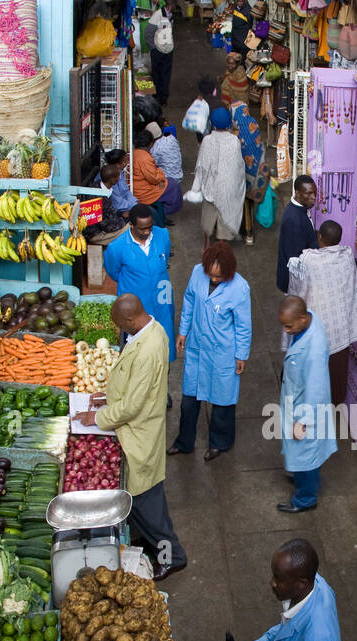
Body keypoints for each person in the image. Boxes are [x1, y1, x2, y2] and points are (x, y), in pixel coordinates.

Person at [82, 295, 188, 581]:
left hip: (141, 433)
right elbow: (134, 387)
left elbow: (133, 405)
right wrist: (107, 396)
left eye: (119, 326)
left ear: (130, 320)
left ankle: (172, 557)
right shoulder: (152, 329)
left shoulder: (147, 349)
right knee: (141, 499)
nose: (119, 331)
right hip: (138, 427)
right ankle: (150, 544)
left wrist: (99, 418)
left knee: (148, 503)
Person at [170, 241, 252, 461]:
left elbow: (243, 326)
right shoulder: (197, 273)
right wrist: (183, 331)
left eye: (219, 277)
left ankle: (220, 442)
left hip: (223, 352)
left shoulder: (240, 288)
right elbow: (188, 301)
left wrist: (241, 354)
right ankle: (184, 442)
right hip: (197, 348)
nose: (214, 279)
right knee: (189, 400)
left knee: (222, 401)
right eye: (211, 275)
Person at [286, 220, 357, 405]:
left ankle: (312, 404)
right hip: (340, 325)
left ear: (319, 237)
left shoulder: (309, 260)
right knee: (336, 368)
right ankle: (334, 401)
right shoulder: (347, 256)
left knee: (315, 367)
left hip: (317, 325)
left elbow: (298, 286)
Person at [276, 296, 337, 513]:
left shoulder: (314, 351)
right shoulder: (307, 319)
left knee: (306, 454)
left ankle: (305, 499)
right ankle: (302, 479)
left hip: (306, 408)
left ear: (302, 319)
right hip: (296, 397)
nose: (286, 330)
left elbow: (316, 389)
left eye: (289, 326)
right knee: (300, 453)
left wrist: (303, 422)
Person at [103, 205, 176, 366]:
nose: (147, 232)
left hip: (162, 299)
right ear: (131, 225)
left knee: (163, 346)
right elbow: (113, 271)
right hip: (136, 304)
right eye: (142, 229)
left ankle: (161, 387)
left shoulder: (163, 235)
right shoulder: (117, 247)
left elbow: (164, 259)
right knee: (138, 352)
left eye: (149, 227)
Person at [188, 106, 246, 248]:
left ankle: (206, 245)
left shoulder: (207, 141)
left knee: (208, 218)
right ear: (229, 124)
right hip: (228, 191)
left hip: (211, 190)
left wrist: (195, 189)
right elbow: (238, 166)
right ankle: (221, 247)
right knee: (225, 220)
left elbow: (201, 166)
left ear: (212, 123)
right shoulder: (234, 141)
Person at [228, 97, 272, 247]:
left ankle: (248, 232)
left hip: (242, 174)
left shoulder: (234, 132)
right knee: (251, 203)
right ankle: (249, 231)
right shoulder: (253, 123)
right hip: (258, 171)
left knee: (244, 203)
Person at [277, 176, 318, 293]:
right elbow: (295, 259)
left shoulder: (300, 209)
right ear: (298, 193)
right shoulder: (293, 219)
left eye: (315, 192)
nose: (314, 197)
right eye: (309, 193)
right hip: (294, 283)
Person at [141, 0, 174, 106]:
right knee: (157, 73)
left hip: (168, 50)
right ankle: (156, 95)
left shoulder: (170, 16)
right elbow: (148, 33)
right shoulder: (157, 15)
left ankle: (163, 97)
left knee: (166, 74)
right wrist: (153, 48)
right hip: (157, 50)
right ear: (169, 6)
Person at [131, 130, 169, 227]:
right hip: (143, 192)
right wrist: (160, 177)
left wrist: (159, 178)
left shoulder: (134, 152)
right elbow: (153, 178)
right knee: (172, 187)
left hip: (139, 187)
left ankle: (162, 218)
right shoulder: (144, 157)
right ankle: (162, 221)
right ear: (150, 143)